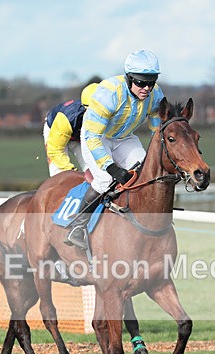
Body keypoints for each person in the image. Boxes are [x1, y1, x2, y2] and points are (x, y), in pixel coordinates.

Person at [66, 50, 165, 249]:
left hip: (124, 138)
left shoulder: (155, 95)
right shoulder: (110, 93)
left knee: (145, 173)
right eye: (141, 83)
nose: (146, 88)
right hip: (97, 137)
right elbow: (93, 137)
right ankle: (78, 225)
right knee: (105, 179)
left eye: (151, 83)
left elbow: (157, 129)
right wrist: (111, 167)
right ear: (129, 78)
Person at [43, 82, 99, 177]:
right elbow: (55, 149)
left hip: (77, 135)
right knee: (60, 174)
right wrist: (70, 170)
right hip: (55, 131)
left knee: (95, 170)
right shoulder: (68, 118)